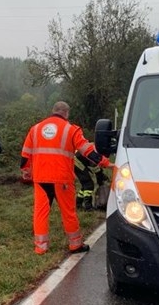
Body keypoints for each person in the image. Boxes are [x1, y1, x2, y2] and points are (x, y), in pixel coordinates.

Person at [20, 101, 112, 255]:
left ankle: (41, 247)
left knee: (40, 212)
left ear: (53, 111)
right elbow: (87, 150)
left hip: (41, 178)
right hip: (61, 179)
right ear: (66, 113)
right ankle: (75, 245)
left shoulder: (35, 129)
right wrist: (106, 163)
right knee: (68, 212)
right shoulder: (71, 129)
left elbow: (25, 154)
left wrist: (25, 170)